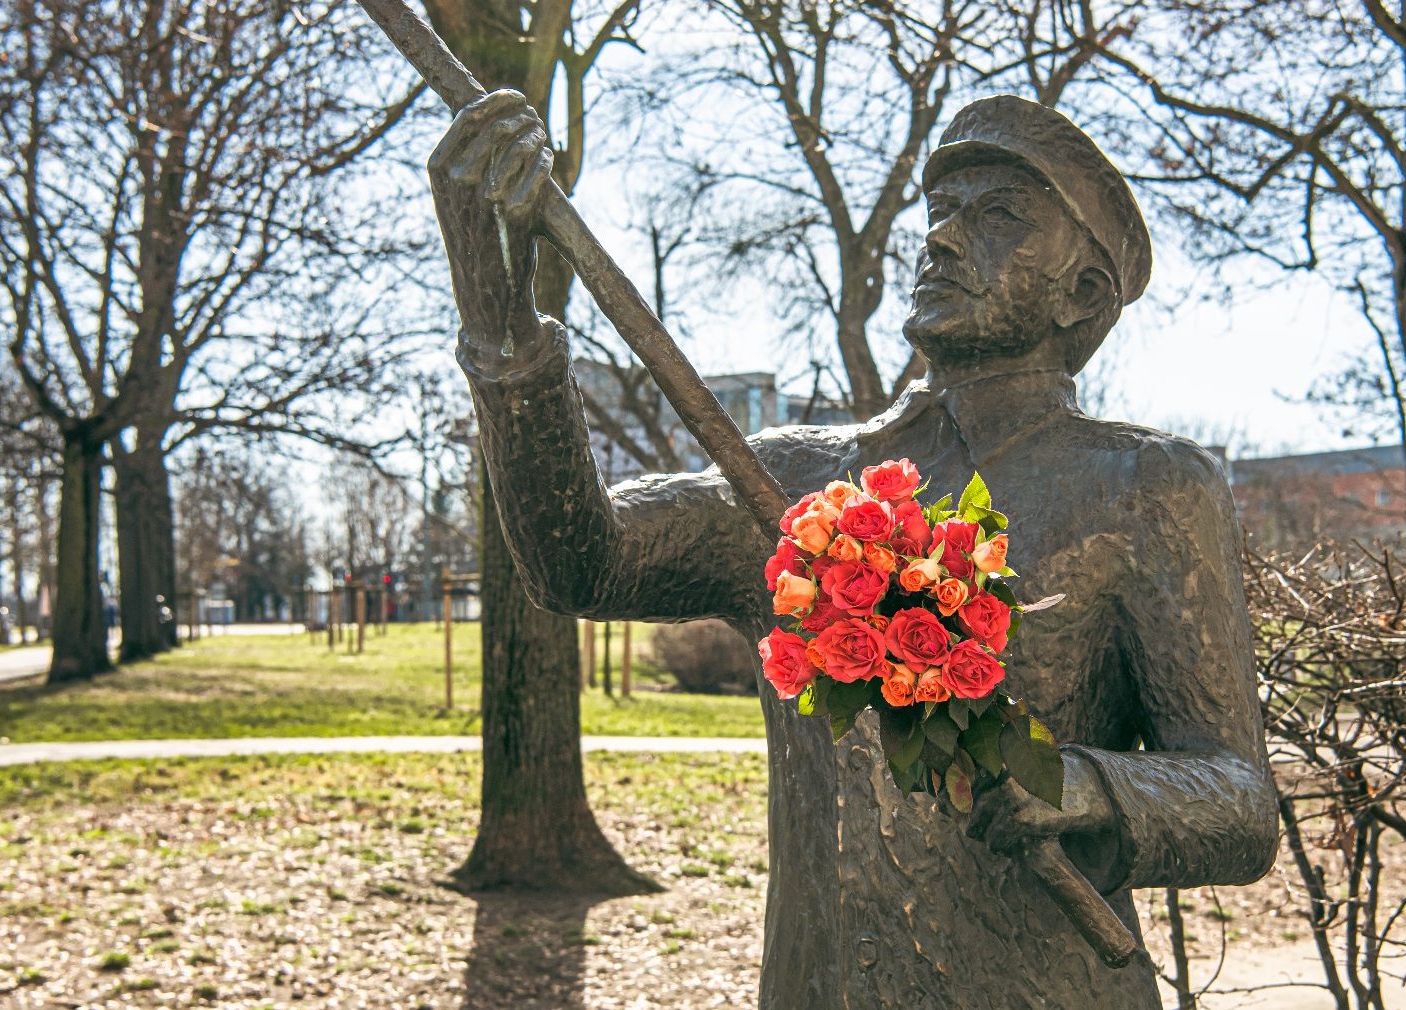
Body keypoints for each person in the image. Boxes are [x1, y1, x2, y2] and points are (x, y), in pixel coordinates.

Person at [431, 92, 1278, 1009]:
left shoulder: (1148, 485)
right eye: (941, 214)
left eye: (997, 218)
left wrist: (1089, 788)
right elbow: (574, 562)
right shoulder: (796, 479)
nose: (944, 240)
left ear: (1082, 292)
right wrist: (503, 331)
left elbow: (1241, 803)